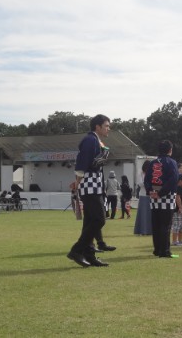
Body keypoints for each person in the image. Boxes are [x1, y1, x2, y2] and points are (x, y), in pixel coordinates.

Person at [67, 114, 112, 268]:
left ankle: (89, 254)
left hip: (95, 184)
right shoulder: (90, 140)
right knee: (99, 219)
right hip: (90, 184)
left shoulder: (95, 140)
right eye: (106, 125)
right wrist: (78, 182)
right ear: (97, 127)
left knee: (89, 222)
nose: (108, 128)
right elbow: (82, 162)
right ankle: (76, 250)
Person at [144, 140, 179, 258]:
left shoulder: (152, 163)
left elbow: (147, 179)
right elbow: (174, 179)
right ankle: (165, 251)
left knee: (156, 224)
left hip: (153, 197)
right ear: (170, 150)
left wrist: (150, 191)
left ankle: (157, 249)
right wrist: (162, 193)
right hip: (167, 197)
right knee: (166, 224)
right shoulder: (171, 162)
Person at [134, 160, 152, 235]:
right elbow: (140, 183)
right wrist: (148, 183)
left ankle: (150, 230)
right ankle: (142, 230)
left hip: (150, 195)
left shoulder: (152, 174)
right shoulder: (140, 174)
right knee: (143, 214)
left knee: (150, 214)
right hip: (143, 195)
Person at [171, 173, 182, 246]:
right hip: (178, 210)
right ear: (181, 181)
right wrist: (180, 207)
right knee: (176, 226)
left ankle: (180, 240)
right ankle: (175, 241)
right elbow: (177, 197)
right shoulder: (177, 187)